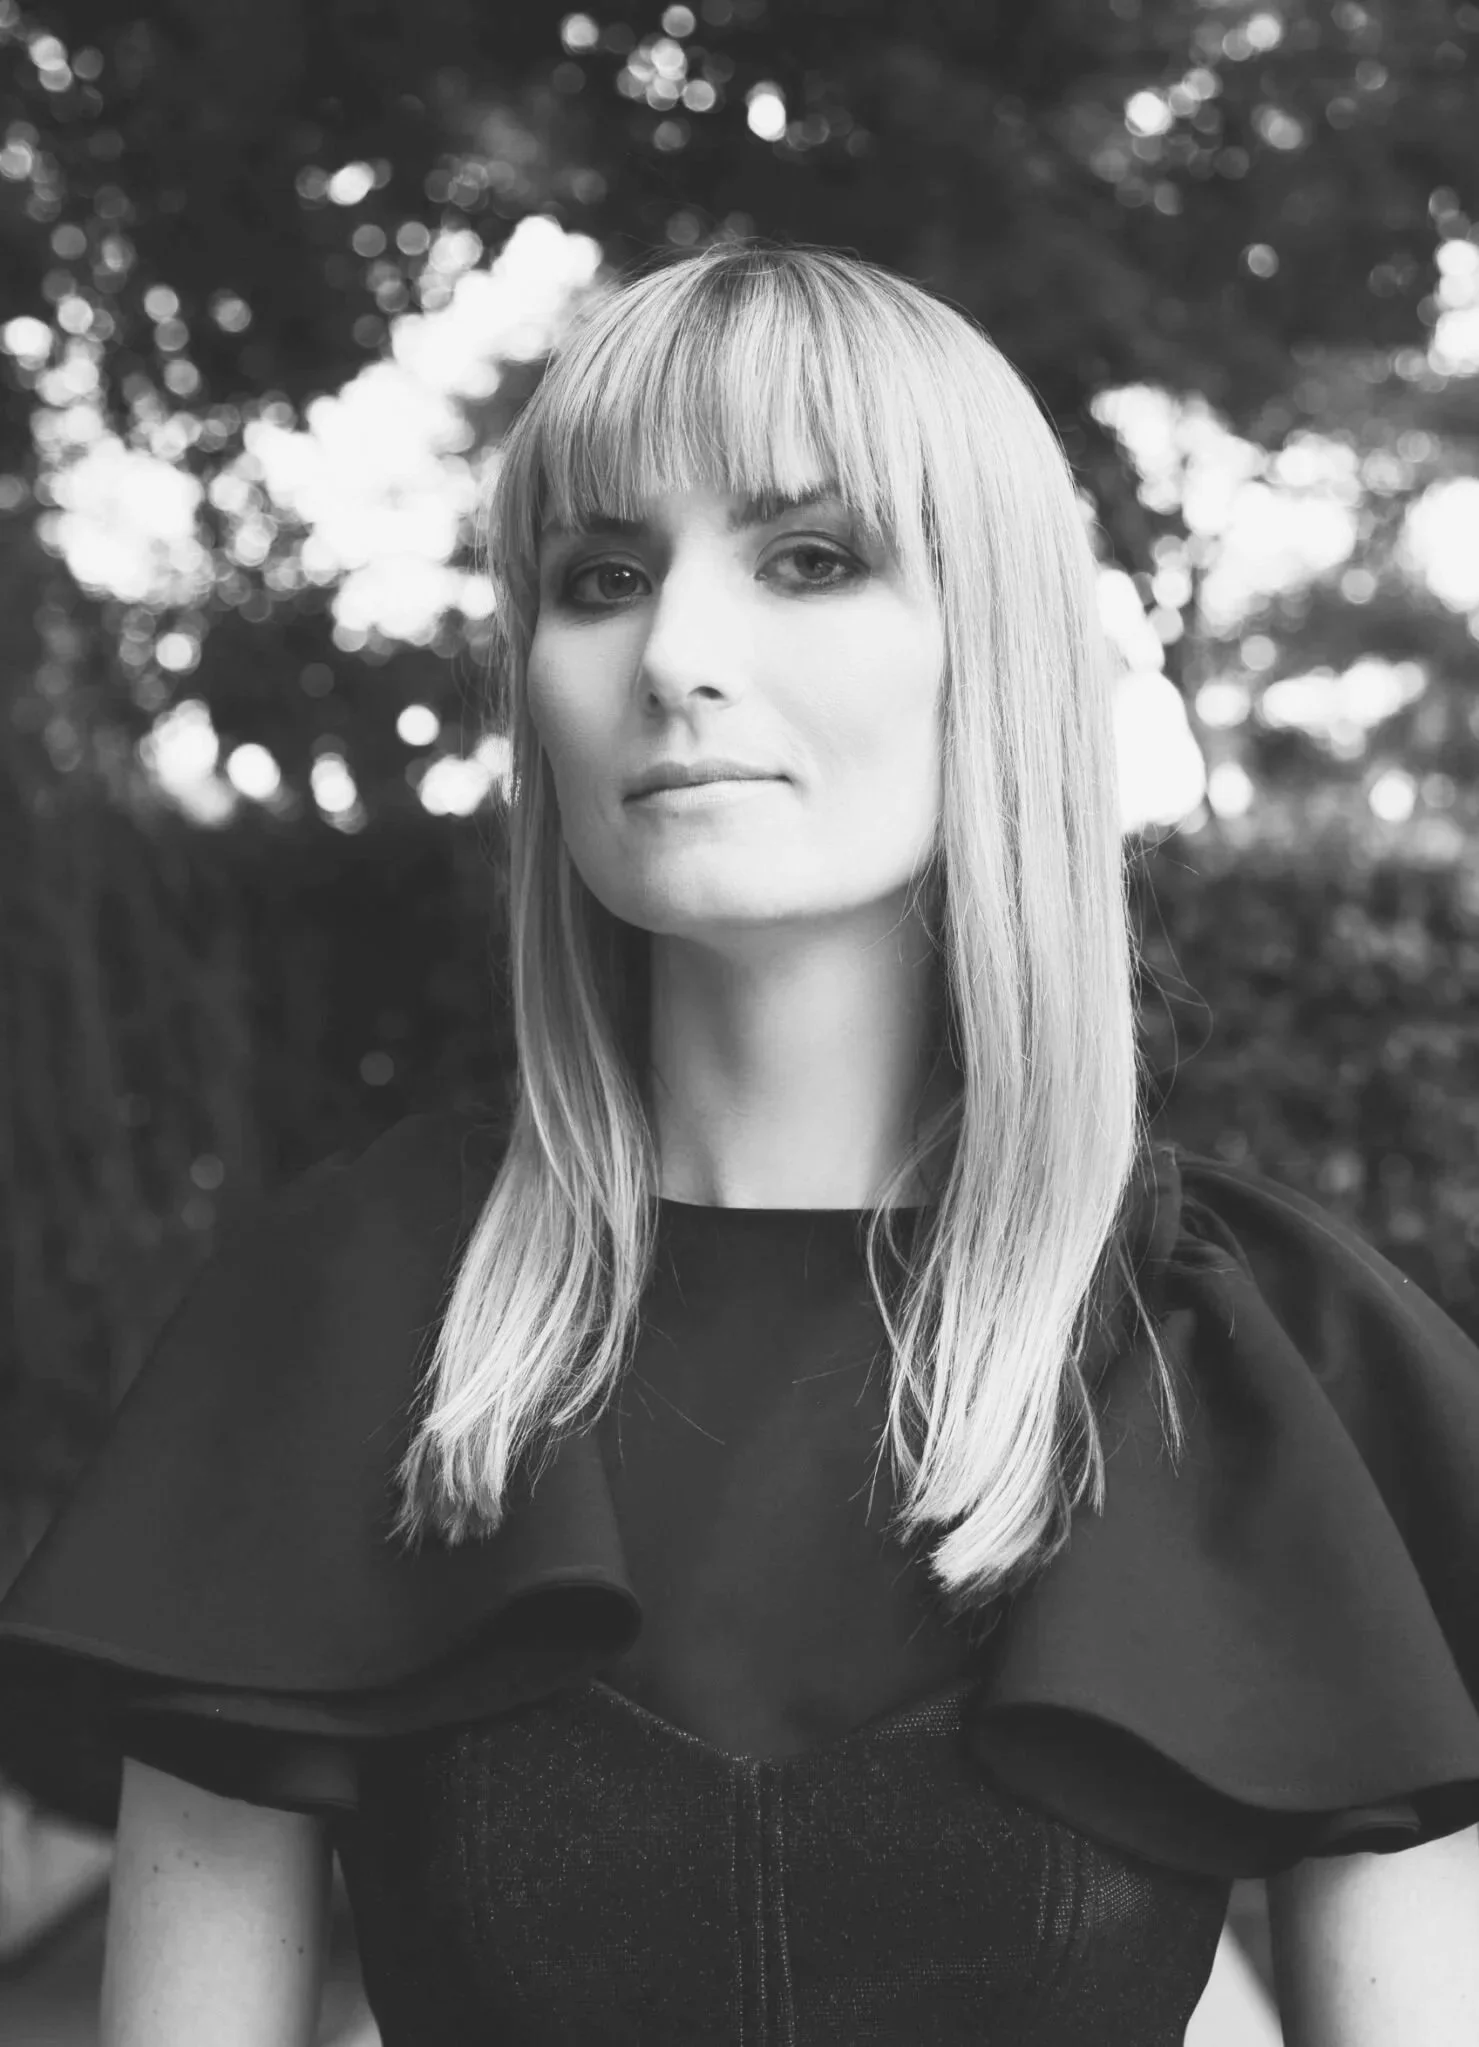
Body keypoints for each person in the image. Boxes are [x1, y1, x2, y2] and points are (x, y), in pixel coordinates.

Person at [2, 238, 1478, 2047]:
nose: (677, 656)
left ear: (996, 655)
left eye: (811, 557)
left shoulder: (1259, 1368)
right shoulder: (346, 1319)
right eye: (601, 575)